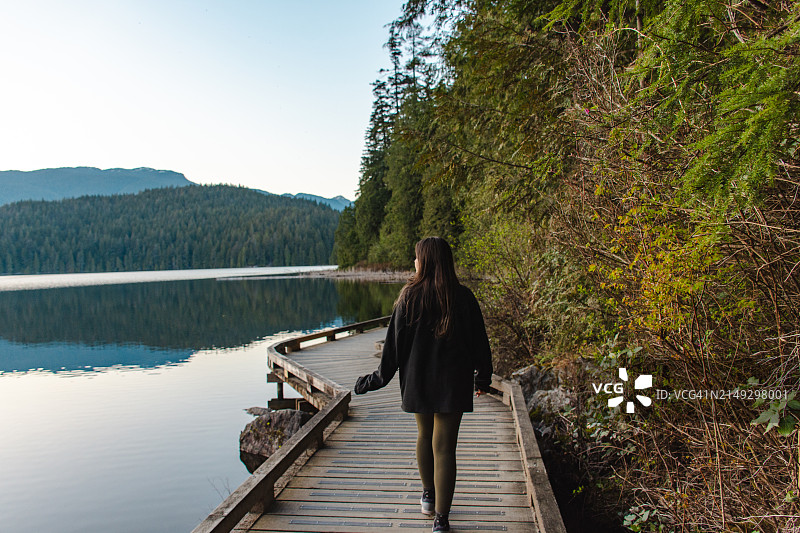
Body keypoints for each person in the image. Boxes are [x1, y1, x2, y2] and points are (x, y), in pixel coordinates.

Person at [354, 236, 493, 533]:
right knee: (445, 447)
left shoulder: (408, 297)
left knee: (424, 435)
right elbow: (480, 342)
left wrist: (373, 381)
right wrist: (483, 377)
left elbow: (392, 349)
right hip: (453, 382)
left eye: (417, 257)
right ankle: (441, 521)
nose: (414, 263)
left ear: (425, 261)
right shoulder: (464, 297)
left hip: (418, 380)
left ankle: (428, 495)